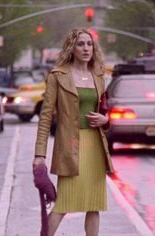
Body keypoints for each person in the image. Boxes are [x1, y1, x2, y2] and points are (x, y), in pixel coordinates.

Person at [33, 28, 114, 236]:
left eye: (89, 44)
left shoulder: (99, 77)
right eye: (81, 44)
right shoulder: (58, 76)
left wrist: (105, 120)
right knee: (63, 204)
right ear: (72, 47)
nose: (86, 48)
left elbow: (105, 113)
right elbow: (45, 117)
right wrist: (39, 155)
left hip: (95, 146)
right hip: (70, 147)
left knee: (94, 204)